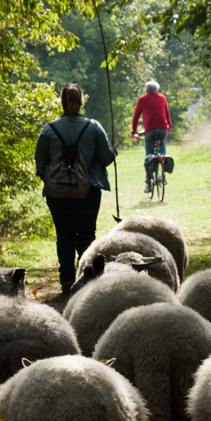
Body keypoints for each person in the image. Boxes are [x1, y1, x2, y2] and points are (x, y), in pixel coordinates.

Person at [35, 83, 117, 298]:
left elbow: (39, 165)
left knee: (64, 236)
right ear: (81, 101)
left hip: (57, 195)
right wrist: (113, 152)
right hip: (88, 192)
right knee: (87, 234)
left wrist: (55, 181)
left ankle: (66, 283)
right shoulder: (94, 127)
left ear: (62, 102)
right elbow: (106, 158)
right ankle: (87, 279)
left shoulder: (48, 129)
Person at [131, 80, 172, 193]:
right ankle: (163, 160)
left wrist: (134, 130)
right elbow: (167, 114)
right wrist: (169, 128)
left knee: (149, 155)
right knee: (162, 143)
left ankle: (149, 183)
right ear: (157, 90)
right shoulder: (162, 97)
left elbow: (136, 116)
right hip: (164, 128)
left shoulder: (142, 99)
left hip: (150, 130)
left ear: (147, 90)